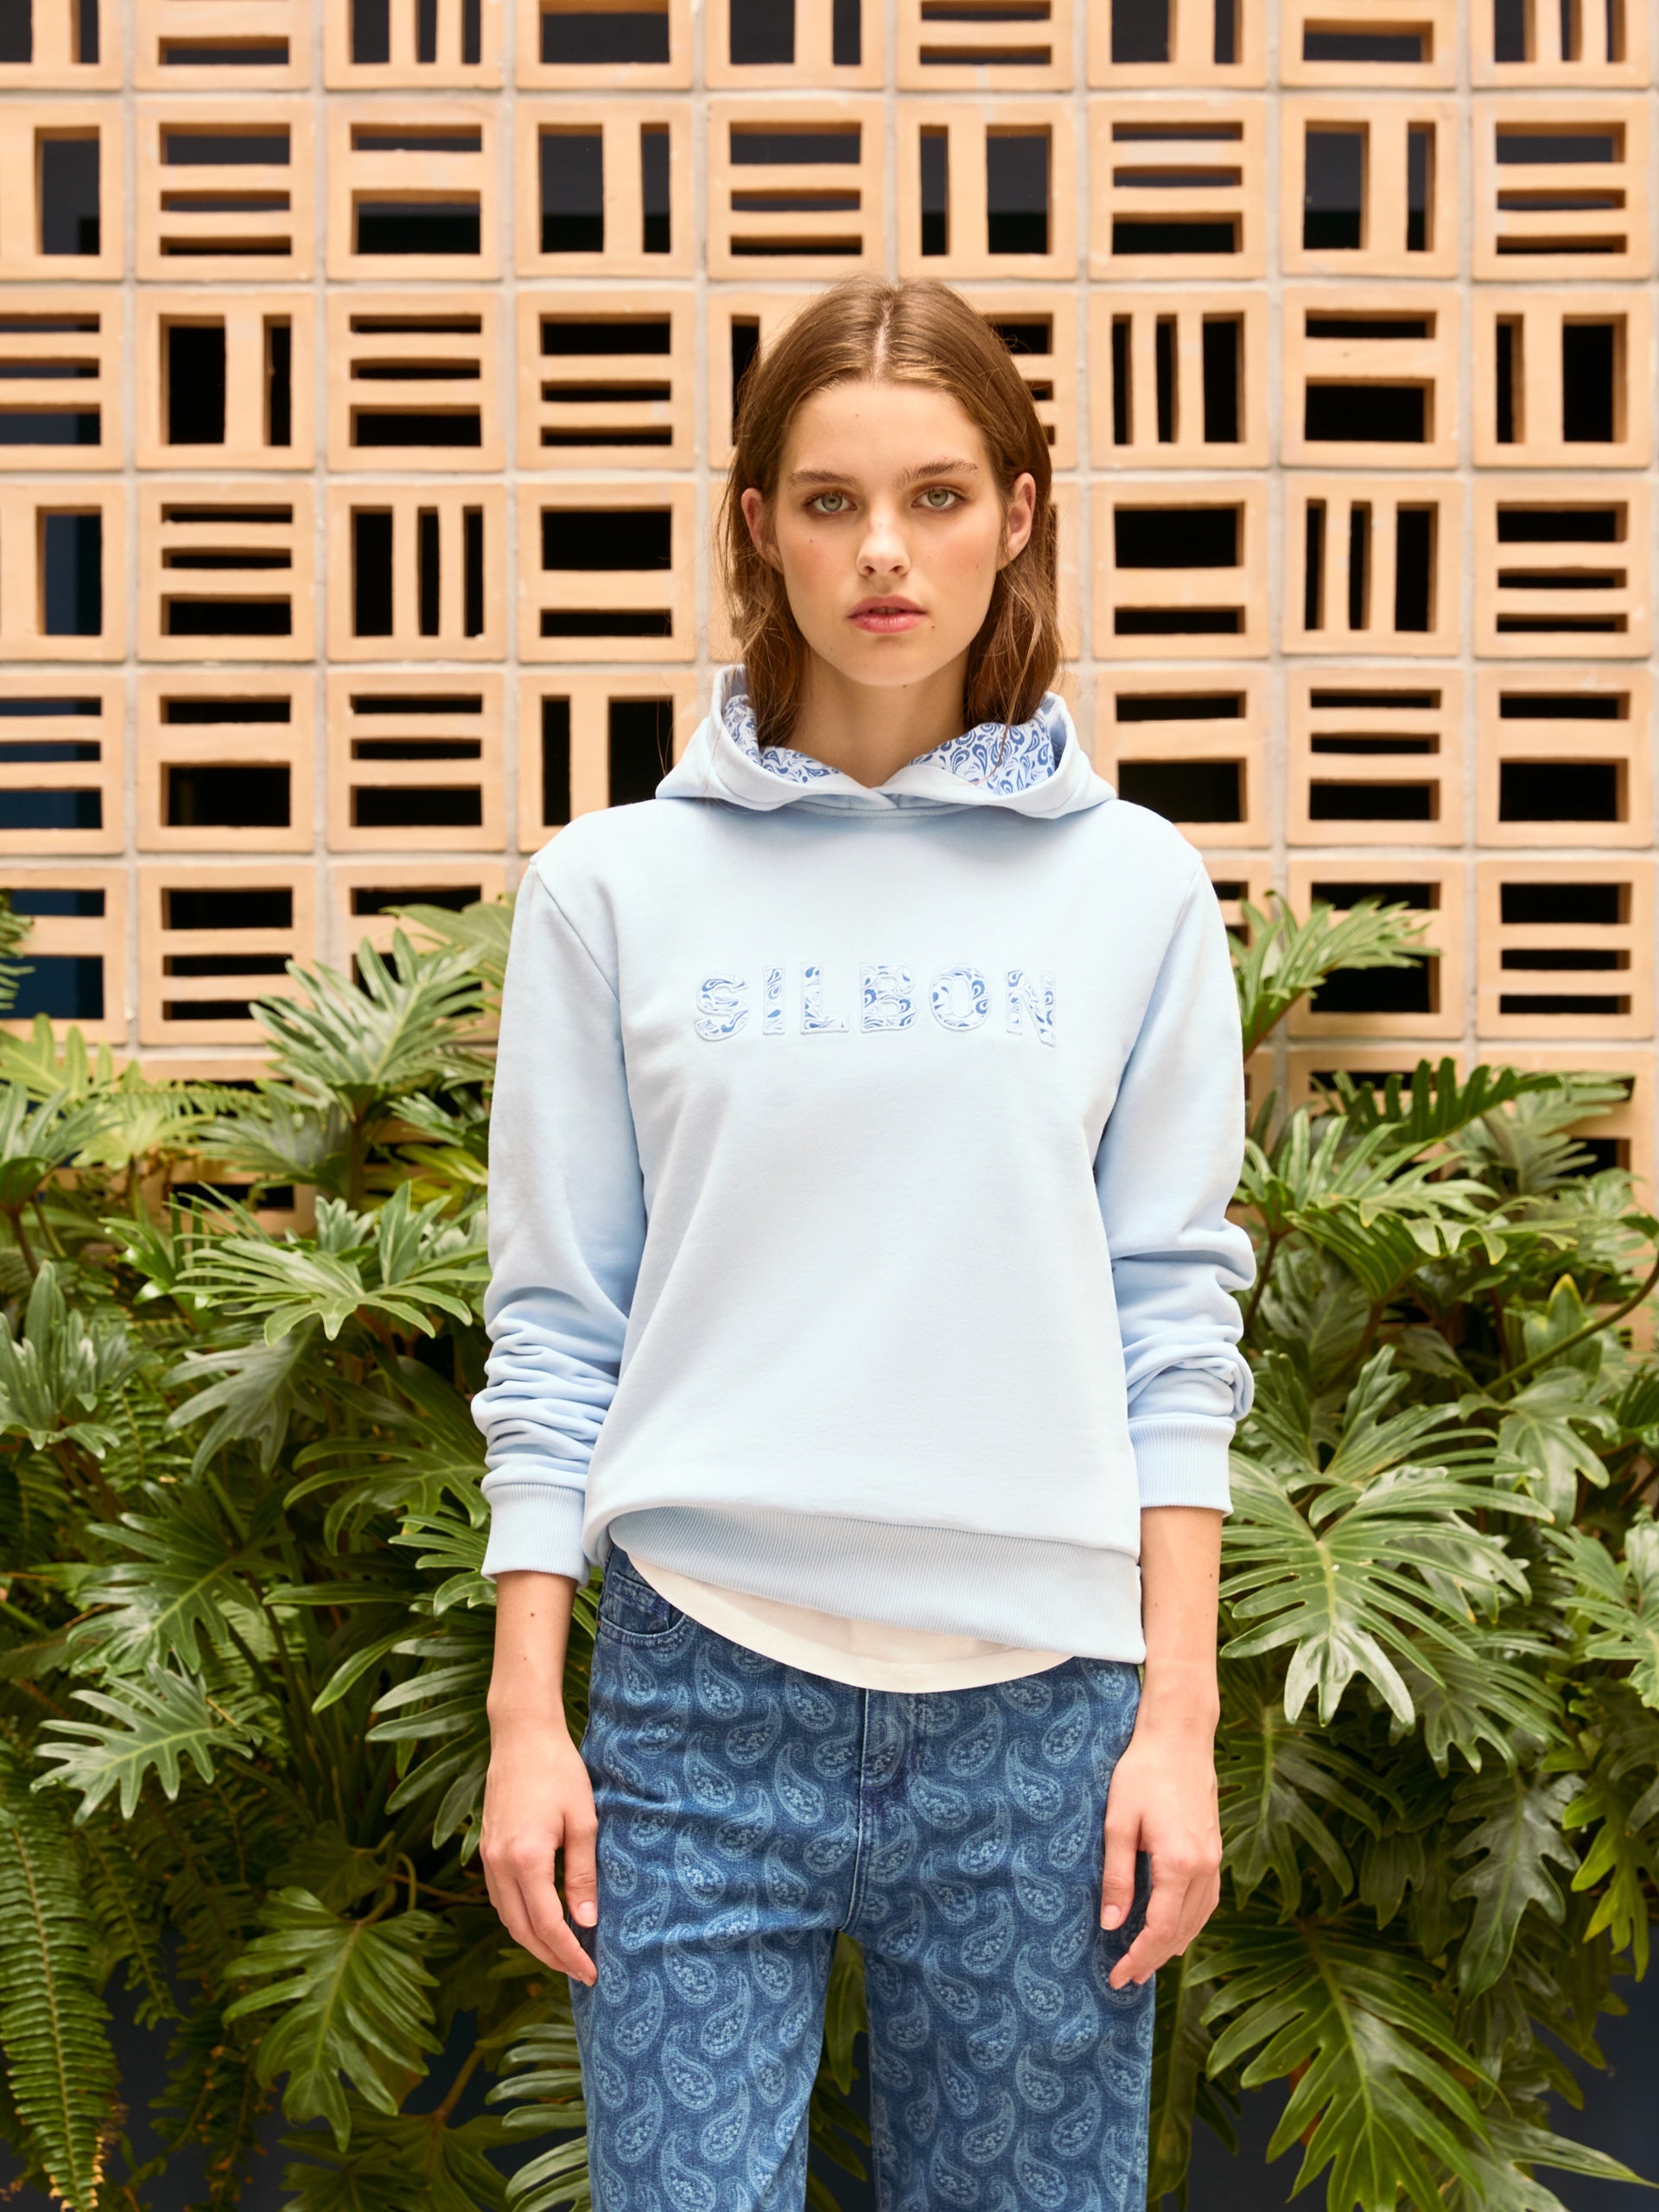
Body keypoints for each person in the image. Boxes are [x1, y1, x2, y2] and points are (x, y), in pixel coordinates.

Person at [476, 275, 1254, 2212]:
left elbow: (1174, 1323)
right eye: (829, 501)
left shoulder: (1138, 893)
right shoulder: (609, 889)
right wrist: (525, 1716)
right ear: (758, 526)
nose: (883, 552)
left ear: (1018, 514)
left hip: (1046, 1725)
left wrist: (1178, 1721)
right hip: (696, 1705)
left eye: (935, 496)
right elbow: (557, 1326)